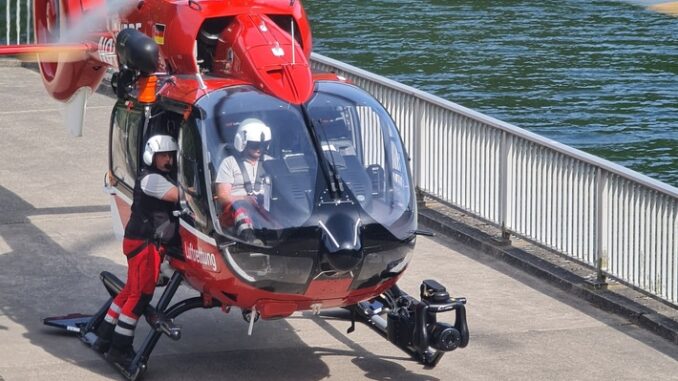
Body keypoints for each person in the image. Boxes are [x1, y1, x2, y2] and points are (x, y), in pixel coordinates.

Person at [93, 134, 180, 367]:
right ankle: (120, 348)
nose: (168, 160)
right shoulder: (154, 180)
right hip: (145, 244)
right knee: (140, 296)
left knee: (130, 290)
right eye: (163, 155)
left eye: (171, 155)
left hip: (139, 241)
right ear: (152, 156)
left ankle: (104, 335)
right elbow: (180, 197)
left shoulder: (155, 176)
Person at [215, 118, 272, 240]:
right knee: (241, 207)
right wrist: (245, 199)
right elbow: (223, 196)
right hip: (235, 210)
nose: (259, 148)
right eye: (254, 144)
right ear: (242, 143)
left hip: (264, 208)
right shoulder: (229, 163)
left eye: (263, 144)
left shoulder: (270, 162)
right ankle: (249, 241)